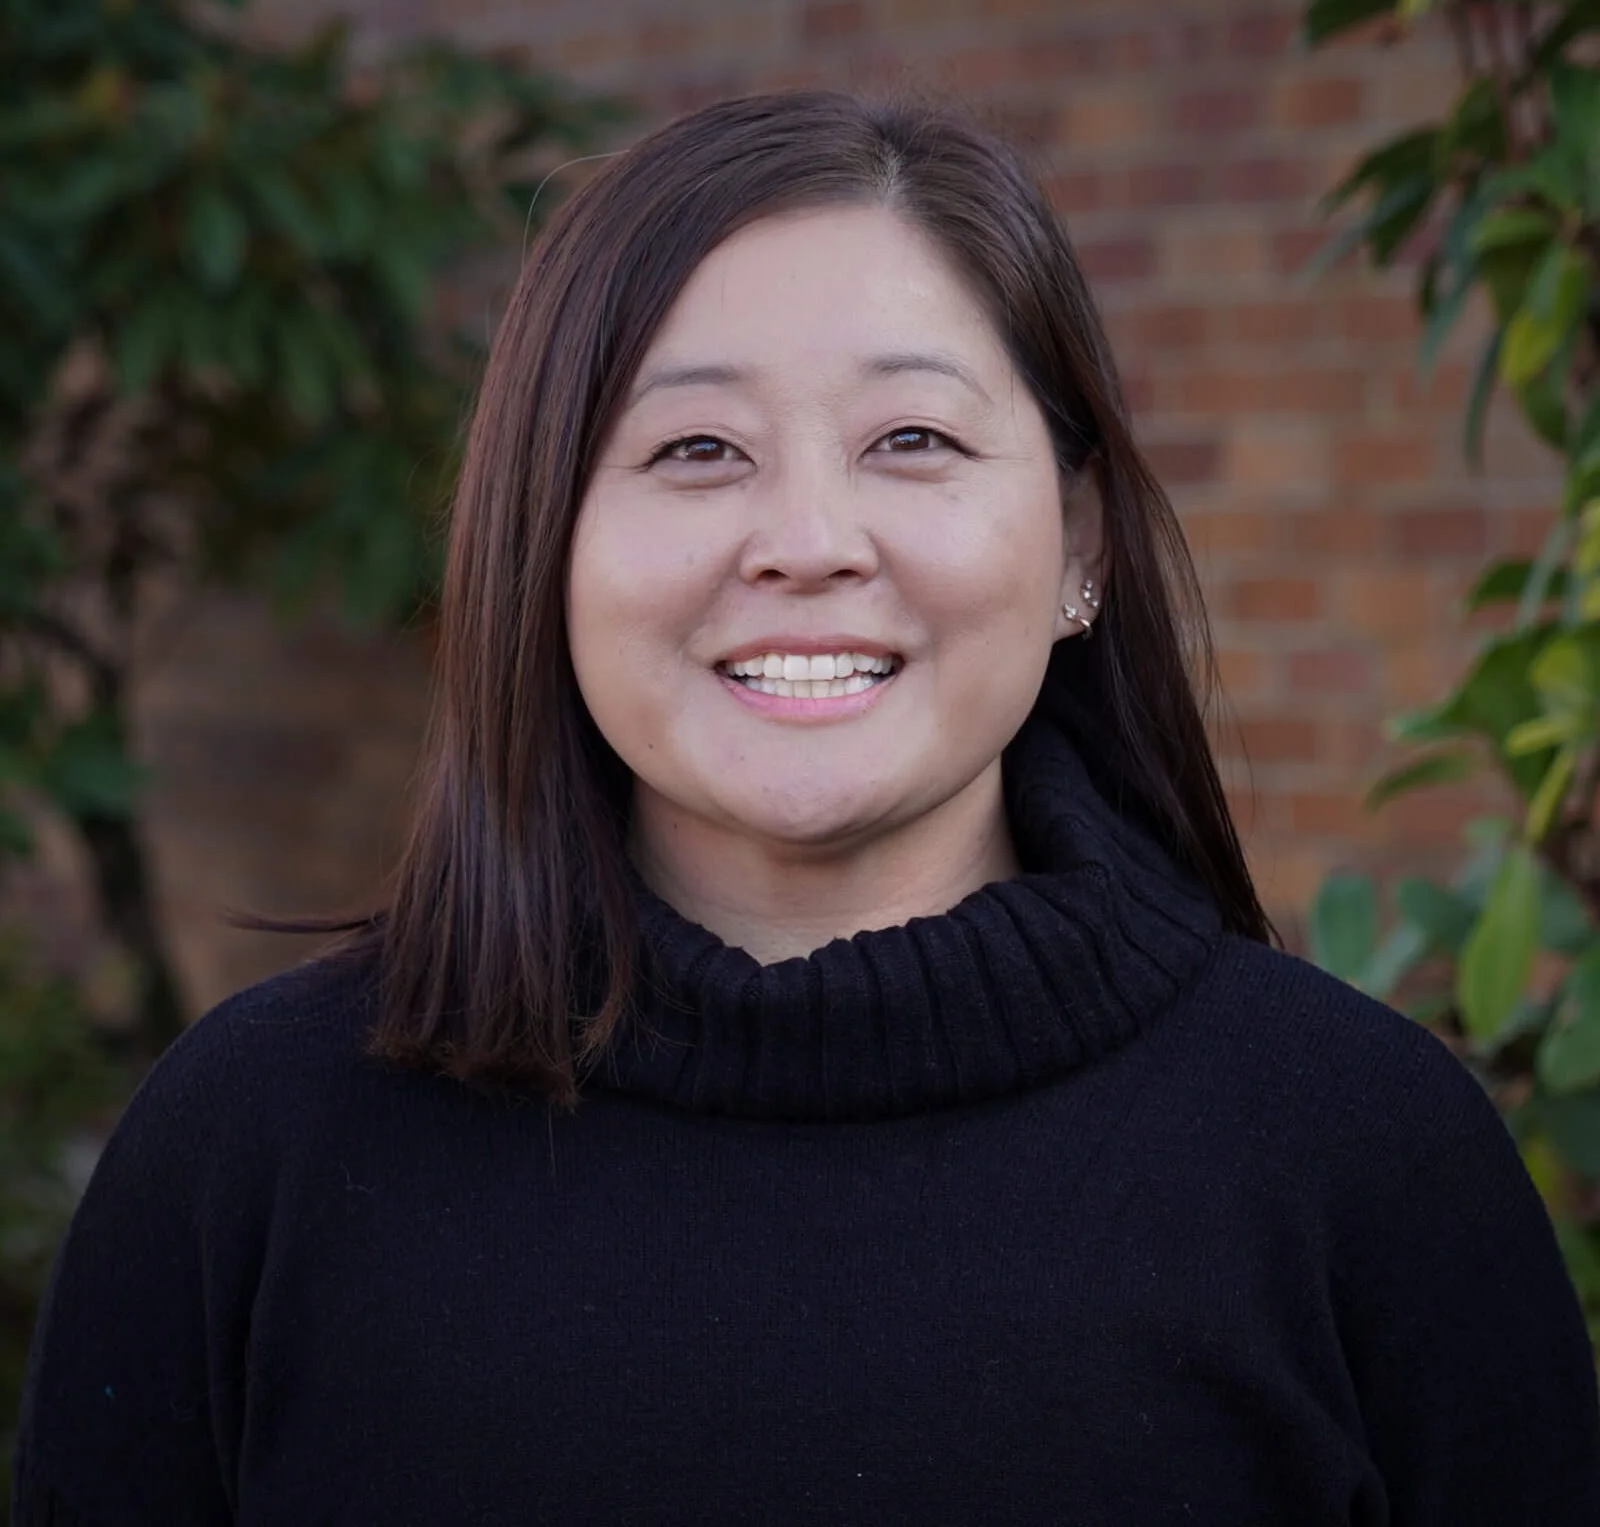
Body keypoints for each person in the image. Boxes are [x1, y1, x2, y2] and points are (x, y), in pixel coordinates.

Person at [13, 90, 1599, 1526]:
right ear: (542, 546)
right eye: (696, 449)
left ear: (1081, 545)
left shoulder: (1362, 1163)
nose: (807, 539)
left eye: (912, 440)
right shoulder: (257, 1151)